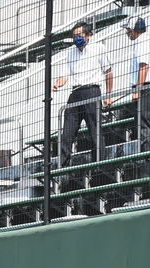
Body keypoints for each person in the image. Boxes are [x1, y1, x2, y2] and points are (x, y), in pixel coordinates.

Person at [51, 21, 112, 167]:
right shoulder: (70, 54)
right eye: (74, 36)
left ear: (88, 35)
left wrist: (108, 95)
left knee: (95, 131)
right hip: (75, 93)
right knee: (67, 133)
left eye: (79, 35)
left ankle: (99, 164)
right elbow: (65, 75)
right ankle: (63, 166)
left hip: (92, 91)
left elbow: (108, 72)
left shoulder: (99, 48)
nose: (76, 38)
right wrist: (57, 83)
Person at [125, 17, 150, 155]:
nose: (127, 34)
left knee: (143, 123)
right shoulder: (144, 40)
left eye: (128, 31)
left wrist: (138, 89)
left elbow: (144, 66)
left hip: (144, 88)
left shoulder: (142, 41)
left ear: (133, 30)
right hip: (145, 86)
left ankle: (147, 157)